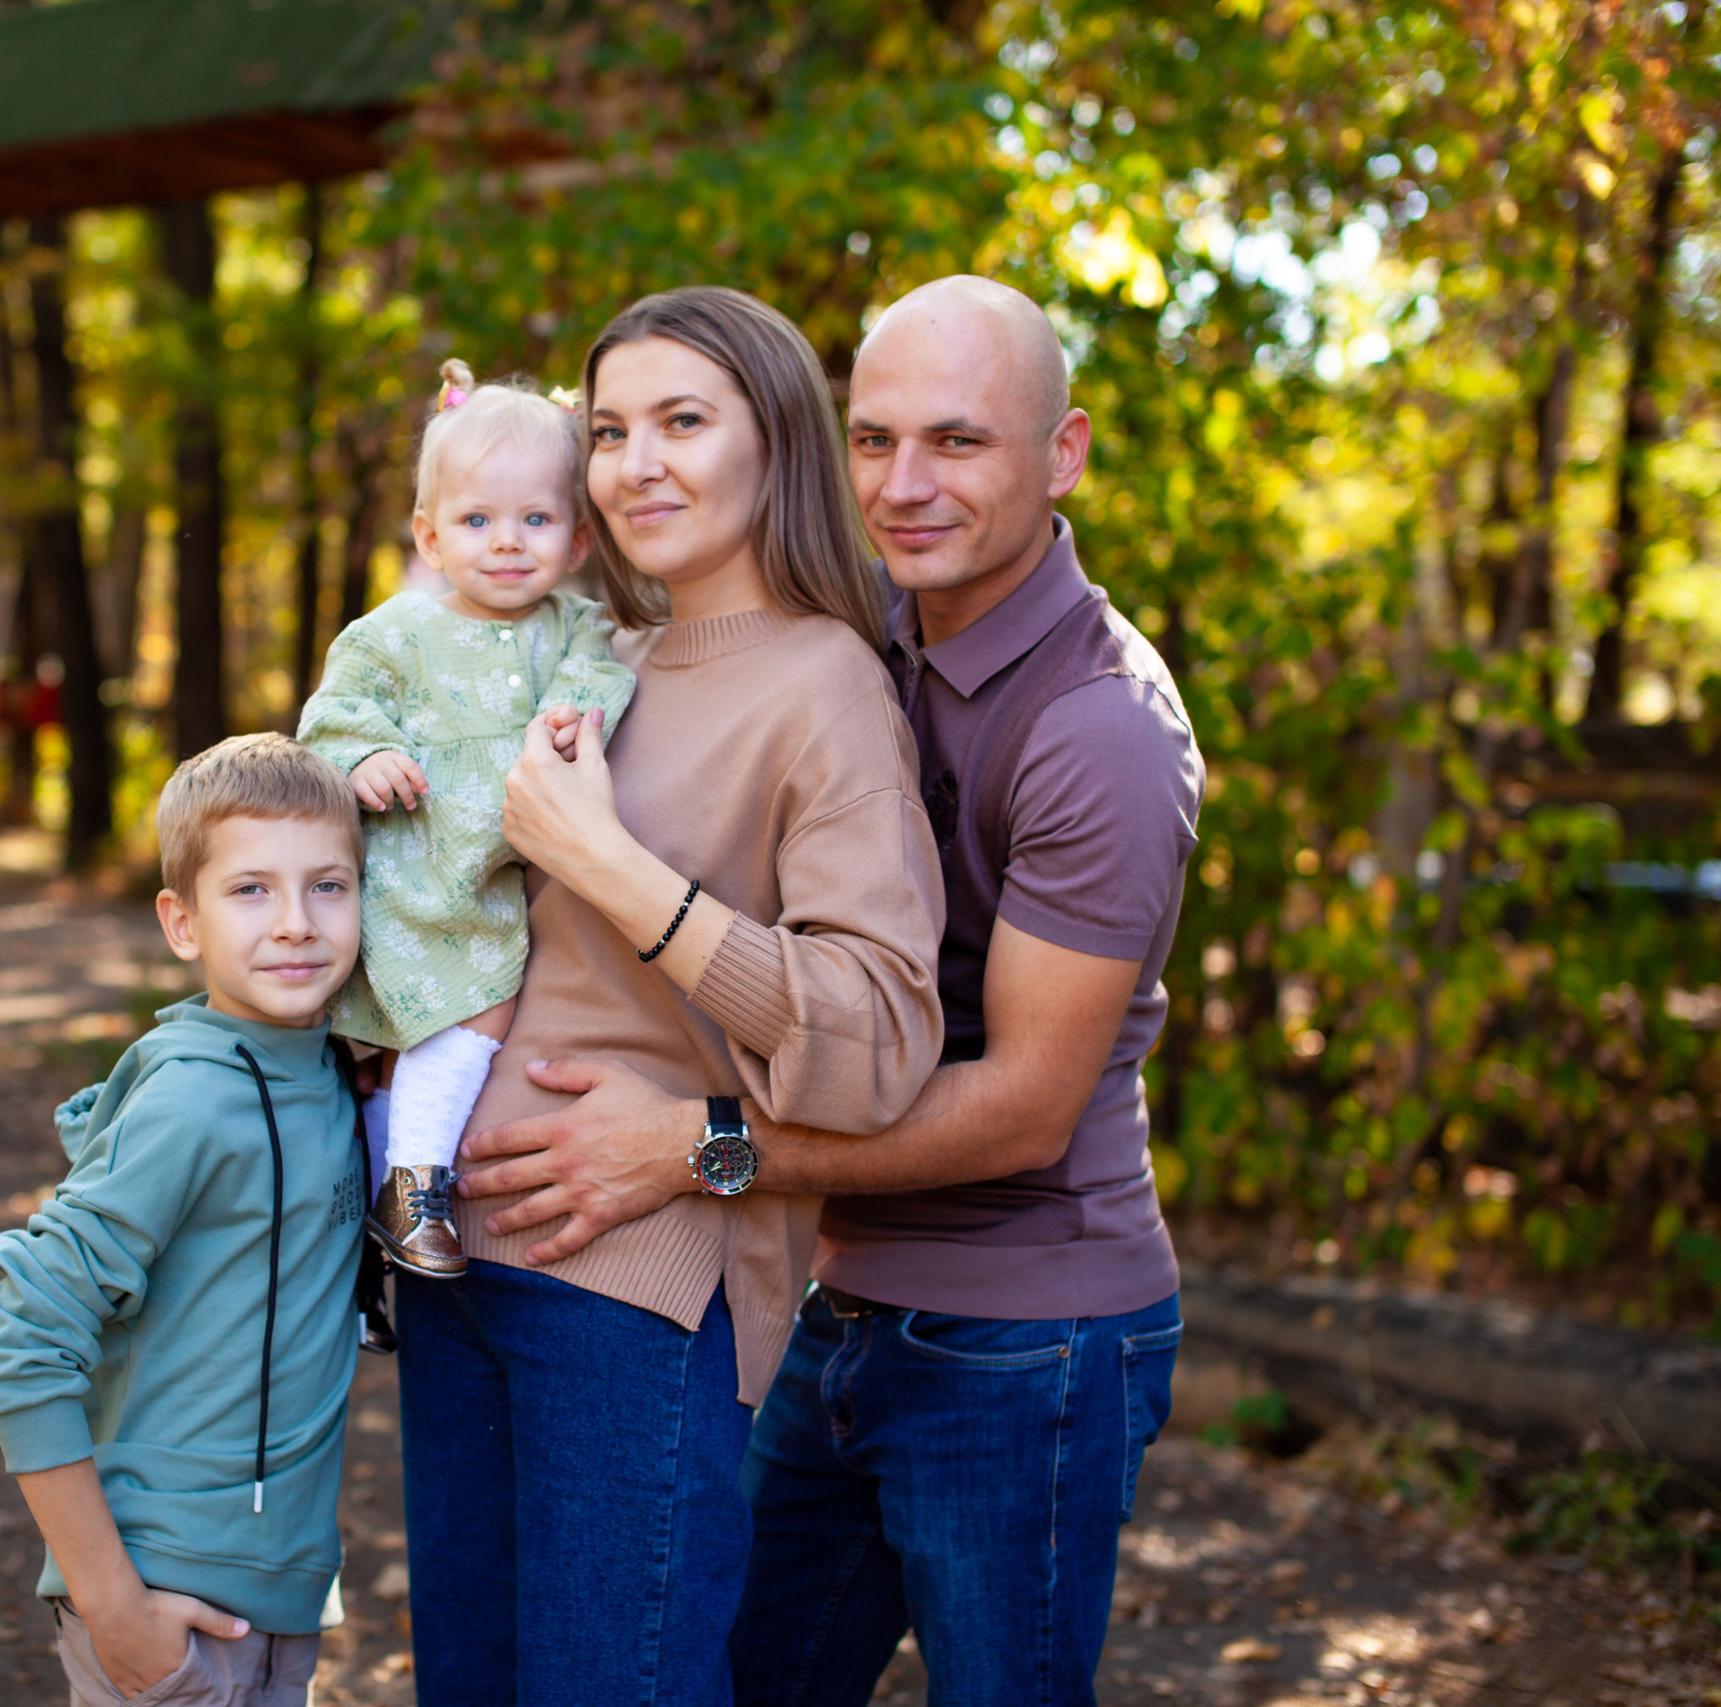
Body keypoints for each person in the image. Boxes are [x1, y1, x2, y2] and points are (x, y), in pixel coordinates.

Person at [456, 275, 1201, 1707]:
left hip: (1025, 1325)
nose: (906, 486)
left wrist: (698, 1147)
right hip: (842, 1296)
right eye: (874, 440)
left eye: (960, 443)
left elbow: (1025, 1110)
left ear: (1065, 453)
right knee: (729, 1671)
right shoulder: (872, 632)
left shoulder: (1100, 728)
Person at [398, 286, 946, 1707]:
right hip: (460, 1263)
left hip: (629, 1288)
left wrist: (621, 872)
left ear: (775, 443)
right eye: (608, 430)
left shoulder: (828, 689)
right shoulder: (588, 655)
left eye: (682, 422)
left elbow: (880, 1027)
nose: (636, 461)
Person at [0, 734, 370, 1707]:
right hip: (165, 1605)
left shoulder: (331, 1068)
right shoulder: (191, 1102)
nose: (295, 925)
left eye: (328, 886)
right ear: (180, 924)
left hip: (282, 1595)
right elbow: (17, 1344)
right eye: (250, 891)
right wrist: (118, 1611)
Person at [297, 359, 634, 1278]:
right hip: (410, 875)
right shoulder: (393, 632)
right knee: (443, 1027)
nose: (507, 542)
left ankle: (376, 1225)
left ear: (575, 540)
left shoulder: (574, 626)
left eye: (536, 519)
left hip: (487, 878)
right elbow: (332, 714)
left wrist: (568, 716)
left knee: (440, 1038)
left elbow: (599, 679)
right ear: (432, 536)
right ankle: (409, 1187)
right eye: (478, 520)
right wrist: (364, 757)